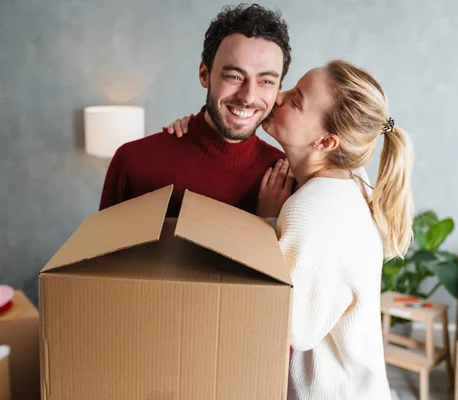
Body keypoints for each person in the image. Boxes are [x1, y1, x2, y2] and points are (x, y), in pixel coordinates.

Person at [165, 59, 413, 400]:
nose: (279, 97)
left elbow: (294, 327)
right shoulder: (353, 180)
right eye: (293, 87)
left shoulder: (313, 209)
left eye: (296, 101)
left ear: (326, 142)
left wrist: (267, 222)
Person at [99, 4, 292, 216]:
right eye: (234, 77)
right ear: (204, 74)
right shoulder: (134, 161)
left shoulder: (285, 179)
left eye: (266, 81)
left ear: (278, 88)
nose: (248, 97)